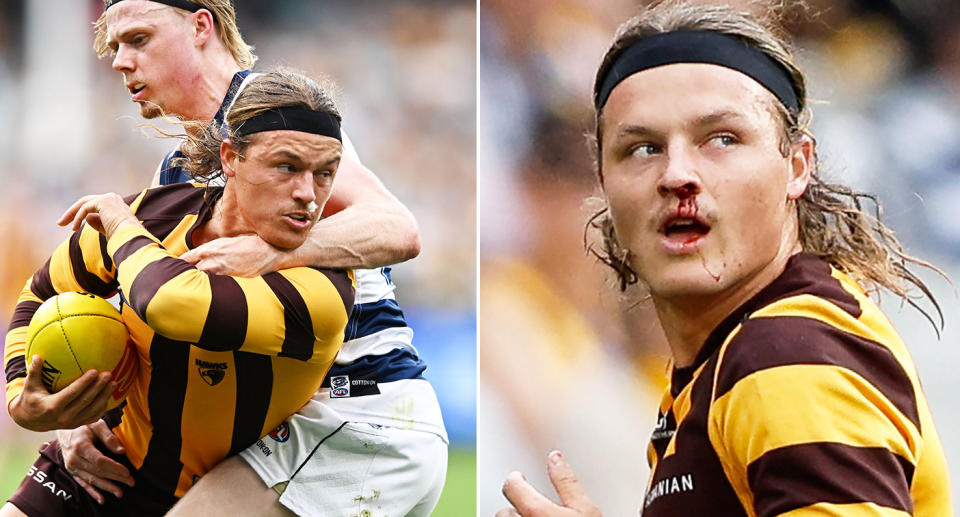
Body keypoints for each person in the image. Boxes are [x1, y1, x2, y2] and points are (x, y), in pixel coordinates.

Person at [498, 2, 953, 516]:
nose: (677, 175)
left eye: (721, 139)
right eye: (643, 148)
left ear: (797, 165)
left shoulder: (784, 355)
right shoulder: (730, 360)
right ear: (604, 183)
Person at [60, 1, 449, 516]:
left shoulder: (278, 117)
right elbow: (137, 305)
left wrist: (271, 252)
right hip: (301, 428)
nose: (120, 61)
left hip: (358, 411)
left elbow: (398, 226)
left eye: (138, 40)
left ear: (201, 25)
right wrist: (80, 410)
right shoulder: (177, 169)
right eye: (114, 47)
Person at [2, 70, 354, 516]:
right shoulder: (157, 214)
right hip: (104, 462)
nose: (308, 193)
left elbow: (168, 302)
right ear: (230, 157)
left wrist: (119, 224)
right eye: (286, 166)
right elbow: (41, 292)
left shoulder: (323, 286)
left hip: (222, 491)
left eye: (325, 173)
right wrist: (24, 398)